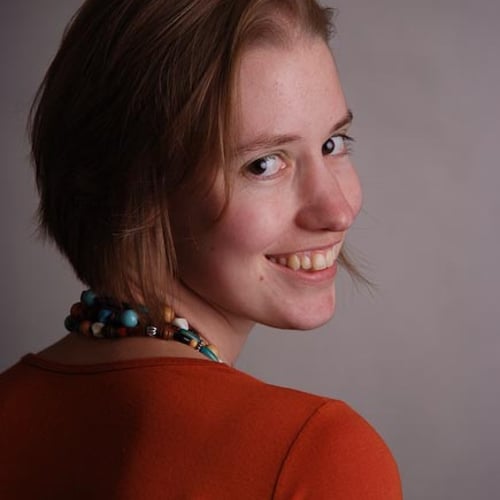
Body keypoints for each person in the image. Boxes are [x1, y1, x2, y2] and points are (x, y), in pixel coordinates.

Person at [0, 0, 402, 498]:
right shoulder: (315, 457)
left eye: (332, 144)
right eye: (263, 164)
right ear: (137, 192)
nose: (337, 210)